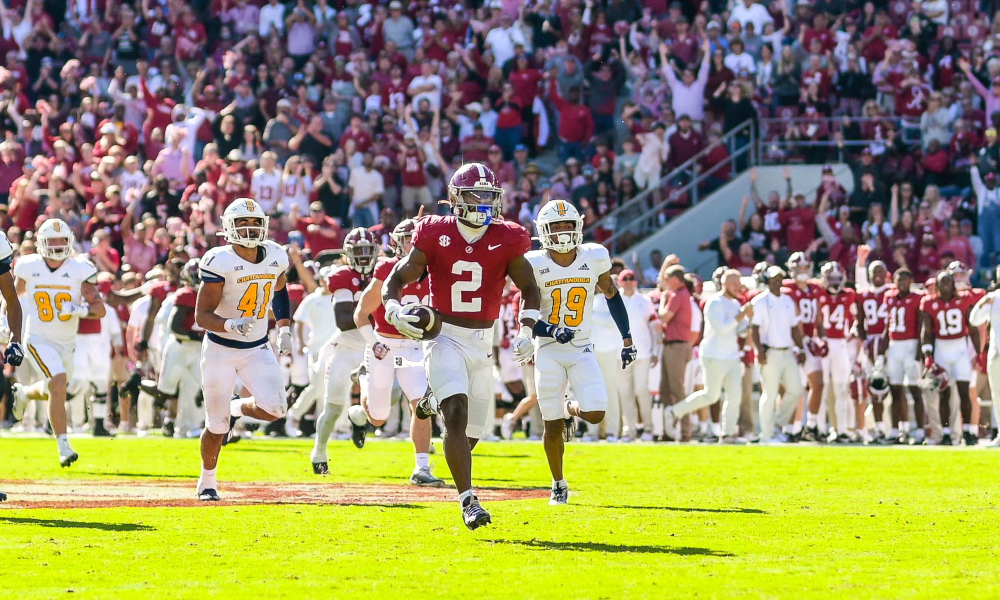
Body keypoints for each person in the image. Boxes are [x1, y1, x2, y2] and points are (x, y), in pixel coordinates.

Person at [382, 162, 540, 530]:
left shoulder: (510, 236)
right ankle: (469, 502)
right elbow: (397, 277)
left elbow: (529, 288)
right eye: (475, 195)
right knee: (456, 413)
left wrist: (527, 329)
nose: (484, 202)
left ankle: (431, 400)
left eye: (489, 195)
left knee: (469, 436)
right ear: (455, 198)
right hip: (444, 335)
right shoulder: (435, 231)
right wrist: (392, 307)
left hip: (482, 344)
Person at [525, 200, 635, 504]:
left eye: (567, 225)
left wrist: (627, 337)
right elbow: (526, 312)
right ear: (543, 231)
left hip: (582, 345)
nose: (562, 232)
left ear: (579, 227)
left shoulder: (595, 256)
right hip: (547, 347)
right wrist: (548, 330)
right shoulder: (533, 263)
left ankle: (569, 408)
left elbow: (611, 294)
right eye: (556, 227)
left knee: (597, 412)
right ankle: (558, 482)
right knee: (551, 425)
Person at [193, 199, 293, 501]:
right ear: (228, 227)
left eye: (254, 222)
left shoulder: (276, 255)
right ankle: (207, 481)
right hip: (220, 349)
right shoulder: (219, 260)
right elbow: (202, 315)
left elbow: (280, 289)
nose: (249, 229)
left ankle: (238, 407)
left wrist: (285, 328)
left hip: (257, 347)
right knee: (217, 425)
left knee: (276, 409)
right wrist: (229, 324)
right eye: (242, 223)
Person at [352, 219, 444, 487]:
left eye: (414, 238)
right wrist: (373, 343)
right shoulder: (387, 269)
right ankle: (363, 380)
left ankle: (421, 467)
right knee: (378, 418)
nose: (411, 244)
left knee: (422, 406)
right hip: (384, 346)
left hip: (413, 349)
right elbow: (360, 314)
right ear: (395, 243)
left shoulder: (436, 270)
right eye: (406, 239)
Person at [12, 218, 106, 467]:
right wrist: (5, 323)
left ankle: (24, 394)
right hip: (37, 336)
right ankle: (64, 446)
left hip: (67, 341)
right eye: (51, 240)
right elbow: (13, 296)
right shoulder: (29, 265)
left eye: (61, 240)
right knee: (59, 381)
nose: (56, 245)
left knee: (56, 388)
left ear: (69, 242)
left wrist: (79, 310)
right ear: (41, 243)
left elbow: (100, 309)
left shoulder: (79, 269)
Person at [311, 227, 380, 473]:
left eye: (367, 251)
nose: (363, 257)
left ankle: (359, 417)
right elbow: (343, 319)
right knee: (332, 407)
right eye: (358, 251)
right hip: (348, 346)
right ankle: (319, 452)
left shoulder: (384, 273)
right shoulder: (342, 276)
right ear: (348, 253)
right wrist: (381, 318)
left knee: (390, 397)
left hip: (375, 348)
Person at [666, 269, 753, 443]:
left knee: (735, 395)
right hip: (714, 355)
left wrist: (749, 321)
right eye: (734, 283)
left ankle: (727, 434)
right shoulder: (714, 303)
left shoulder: (736, 305)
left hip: (732, 356)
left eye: (739, 283)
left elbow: (740, 332)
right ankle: (674, 411)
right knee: (710, 396)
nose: (737, 287)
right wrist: (742, 315)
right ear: (724, 284)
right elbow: (722, 328)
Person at [919, 271, 980, 446]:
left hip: (960, 348)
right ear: (936, 286)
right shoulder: (929, 303)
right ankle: (946, 433)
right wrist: (928, 354)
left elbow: (973, 328)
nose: (945, 284)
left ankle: (968, 432)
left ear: (953, 284)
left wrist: (979, 352)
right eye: (942, 282)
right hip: (942, 350)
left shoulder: (964, 300)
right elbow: (926, 330)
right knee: (944, 394)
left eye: (948, 281)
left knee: (964, 392)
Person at [750, 264, 806, 443]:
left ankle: (776, 424)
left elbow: (794, 327)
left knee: (796, 389)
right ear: (767, 280)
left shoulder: (788, 301)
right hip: (770, 352)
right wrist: (759, 350)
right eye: (774, 279)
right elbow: (755, 328)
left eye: (780, 278)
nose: (777, 282)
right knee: (770, 392)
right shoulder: (760, 301)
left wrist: (802, 347)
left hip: (787, 351)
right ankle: (766, 434)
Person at [155, 260, 204, 439]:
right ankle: (139, 383)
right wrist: (198, 336)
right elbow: (175, 327)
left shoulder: (212, 295)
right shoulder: (186, 295)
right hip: (180, 347)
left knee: (196, 388)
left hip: (197, 349)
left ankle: (189, 427)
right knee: (167, 391)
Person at [817, 261, 865, 442]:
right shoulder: (818, 292)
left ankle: (842, 429)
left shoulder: (849, 295)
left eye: (838, 279)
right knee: (820, 388)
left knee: (841, 389)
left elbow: (857, 317)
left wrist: (853, 329)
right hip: (822, 342)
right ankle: (820, 428)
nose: (835, 282)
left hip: (840, 344)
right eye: (831, 279)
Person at [784, 252, 828, 442]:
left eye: (804, 267)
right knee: (795, 389)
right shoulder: (787, 289)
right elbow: (794, 320)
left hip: (809, 341)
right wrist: (799, 344)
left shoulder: (815, 290)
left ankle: (810, 424)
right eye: (798, 267)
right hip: (793, 342)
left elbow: (818, 318)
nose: (802, 271)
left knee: (818, 384)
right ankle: (791, 428)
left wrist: (822, 338)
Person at [882, 268, 926, 444]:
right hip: (894, 346)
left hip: (911, 344)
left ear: (911, 281)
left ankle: (920, 431)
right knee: (895, 390)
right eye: (899, 280)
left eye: (906, 280)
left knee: (915, 390)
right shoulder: (889, 297)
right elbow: (888, 325)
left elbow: (922, 325)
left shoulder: (917, 299)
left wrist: (919, 351)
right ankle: (895, 430)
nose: (902, 283)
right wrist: (881, 351)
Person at [658, 264, 694, 440]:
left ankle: (685, 430)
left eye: (667, 278)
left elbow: (664, 316)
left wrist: (663, 300)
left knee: (677, 390)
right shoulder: (681, 294)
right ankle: (669, 431)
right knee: (665, 389)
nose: (665, 282)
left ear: (676, 279)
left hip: (677, 346)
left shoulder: (678, 295)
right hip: (672, 345)